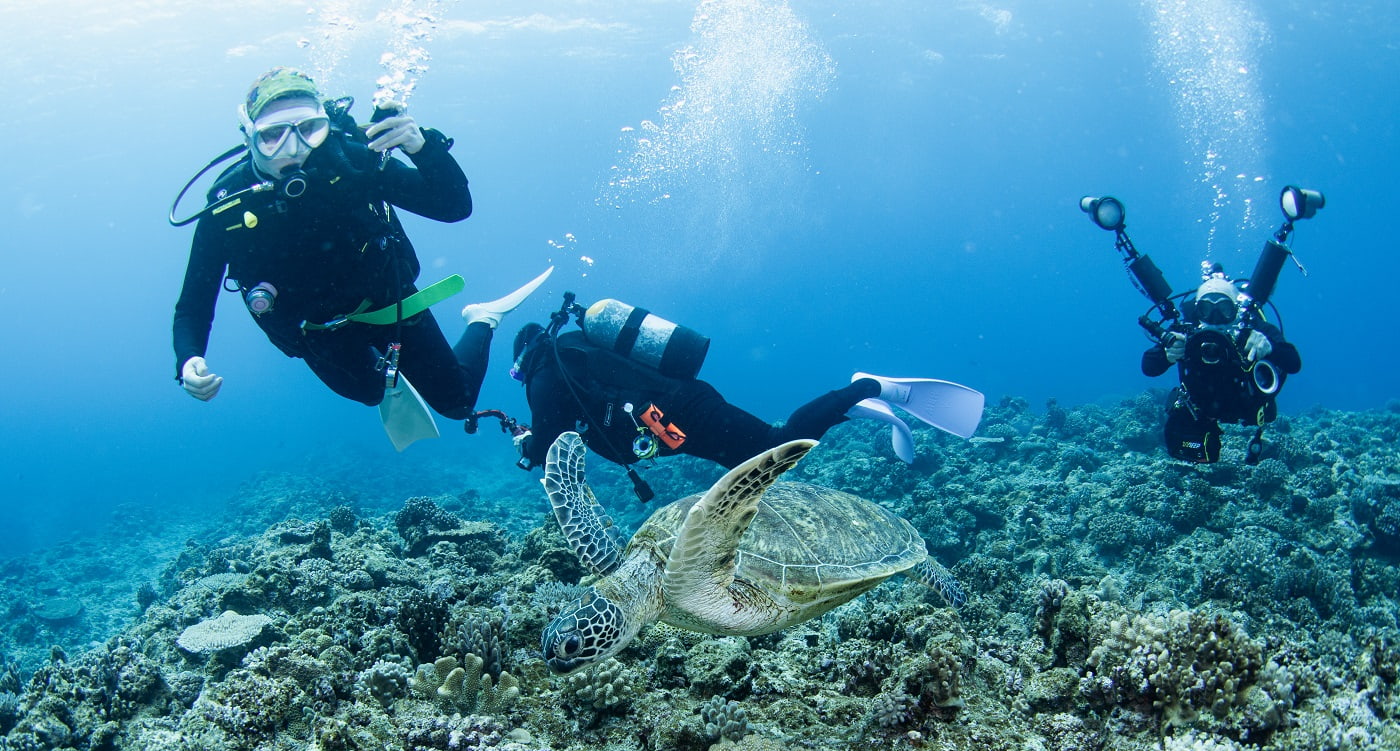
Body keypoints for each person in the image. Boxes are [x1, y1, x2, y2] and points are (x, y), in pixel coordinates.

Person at [172, 67, 511, 438]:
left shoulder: (351, 163)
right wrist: (189, 358)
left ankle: (482, 318)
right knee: (367, 392)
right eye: (273, 136)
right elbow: (194, 302)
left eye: (309, 130)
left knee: (458, 403)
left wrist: (422, 147)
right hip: (317, 332)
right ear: (249, 136)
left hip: (389, 302)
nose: (295, 150)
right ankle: (380, 378)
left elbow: (453, 206)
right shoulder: (228, 207)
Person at [506, 312, 984, 480]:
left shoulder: (546, 374)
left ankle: (870, 387)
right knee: (755, 466)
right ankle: (853, 409)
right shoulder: (572, 355)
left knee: (773, 451)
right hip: (676, 416)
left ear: (523, 357)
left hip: (678, 413)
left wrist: (528, 447)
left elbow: (550, 440)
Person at [1141, 266, 1301, 464]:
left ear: (1236, 309)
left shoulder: (1254, 329)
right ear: (1197, 311)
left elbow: (1293, 363)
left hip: (1247, 407)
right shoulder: (1186, 332)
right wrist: (1167, 354)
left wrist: (1269, 347)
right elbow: (1148, 367)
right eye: (1206, 309)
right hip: (1202, 409)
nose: (1215, 317)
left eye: (1224, 308)